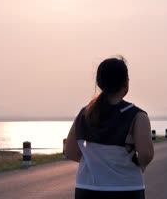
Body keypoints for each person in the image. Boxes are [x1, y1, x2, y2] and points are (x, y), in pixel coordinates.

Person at [65, 57, 154, 199]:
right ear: (126, 83)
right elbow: (146, 154)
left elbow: (70, 151)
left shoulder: (85, 113)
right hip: (126, 188)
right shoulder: (137, 116)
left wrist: (96, 165)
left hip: (87, 188)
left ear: (100, 83)